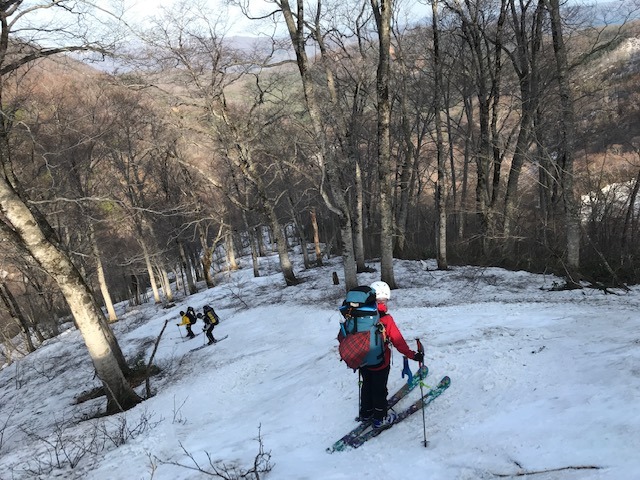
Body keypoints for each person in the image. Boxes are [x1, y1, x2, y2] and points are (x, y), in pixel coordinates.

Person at [359, 281, 424, 429]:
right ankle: (379, 418)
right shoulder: (386, 319)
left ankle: (366, 413)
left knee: (367, 385)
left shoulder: (359, 316)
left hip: (362, 360)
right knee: (379, 389)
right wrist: (412, 355)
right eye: (385, 300)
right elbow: (398, 341)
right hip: (380, 362)